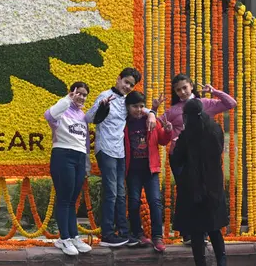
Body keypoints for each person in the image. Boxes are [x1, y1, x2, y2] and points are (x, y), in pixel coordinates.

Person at [152, 73, 237, 244]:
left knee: (203, 192)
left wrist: (214, 91)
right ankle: (188, 234)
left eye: (185, 87)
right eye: (178, 90)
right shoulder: (173, 110)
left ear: (191, 86)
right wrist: (153, 112)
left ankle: (203, 231)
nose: (182, 92)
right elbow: (156, 127)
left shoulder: (205, 104)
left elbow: (231, 103)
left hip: (202, 158)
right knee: (185, 193)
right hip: (180, 158)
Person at [85, 67, 157, 247]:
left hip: (120, 152)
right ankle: (108, 234)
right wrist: (103, 107)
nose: (128, 86)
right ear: (118, 79)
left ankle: (124, 233)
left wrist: (152, 114)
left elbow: (143, 109)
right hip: (106, 150)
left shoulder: (126, 101)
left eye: (131, 85)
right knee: (111, 192)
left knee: (121, 193)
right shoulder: (104, 96)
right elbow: (88, 118)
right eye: (126, 82)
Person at [171, 99, 230, 266]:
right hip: (214, 186)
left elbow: (177, 158)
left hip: (193, 188)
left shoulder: (187, 134)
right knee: (215, 228)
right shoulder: (215, 129)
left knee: (197, 231)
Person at [44, 82, 93, 256]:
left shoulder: (83, 116)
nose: (81, 97)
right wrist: (67, 99)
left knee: (73, 200)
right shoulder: (62, 109)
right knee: (64, 199)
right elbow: (48, 115)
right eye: (78, 93)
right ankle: (63, 238)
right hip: (63, 155)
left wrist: (86, 165)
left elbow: (86, 142)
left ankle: (73, 236)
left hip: (79, 157)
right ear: (71, 93)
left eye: (84, 95)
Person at [124, 91, 172, 252]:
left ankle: (157, 236)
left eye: (141, 106)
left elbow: (163, 141)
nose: (138, 110)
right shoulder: (124, 123)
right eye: (134, 106)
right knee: (134, 202)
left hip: (151, 169)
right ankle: (138, 234)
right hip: (133, 170)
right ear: (128, 107)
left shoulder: (151, 120)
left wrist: (168, 131)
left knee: (155, 202)